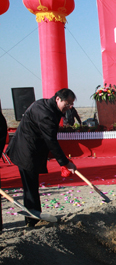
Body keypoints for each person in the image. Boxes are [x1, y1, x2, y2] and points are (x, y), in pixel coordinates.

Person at [5, 88, 77, 227]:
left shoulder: (46, 105)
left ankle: (34, 217)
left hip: (31, 148)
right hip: (25, 150)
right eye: (67, 103)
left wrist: (64, 161)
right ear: (58, 99)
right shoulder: (46, 114)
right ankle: (33, 220)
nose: (70, 107)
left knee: (31, 185)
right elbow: (51, 140)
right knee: (30, 186)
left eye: (71, 104)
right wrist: (65, 163)